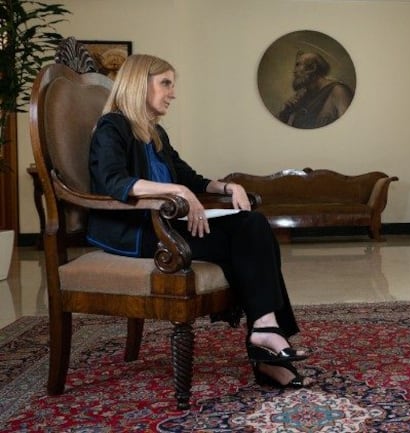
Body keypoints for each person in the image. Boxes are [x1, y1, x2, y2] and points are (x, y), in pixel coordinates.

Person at [88, 54, 310, 388]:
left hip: (166, 226)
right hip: (134, 232)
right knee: (247, 243)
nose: (172, 93)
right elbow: (113, 182)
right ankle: (266, 348)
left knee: (252, 224)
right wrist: (174, 189)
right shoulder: (112, 127)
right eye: (165, 83)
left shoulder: (155, 133)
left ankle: (265, 328)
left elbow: (190, 178)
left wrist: (229, 186)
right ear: (138, 84)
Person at [278, 50, 354, 129]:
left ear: (312, 68)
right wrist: (285, 114)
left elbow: (348, 127)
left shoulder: (338, 92)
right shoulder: (302, 97)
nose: (294, 71)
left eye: (298, 65)